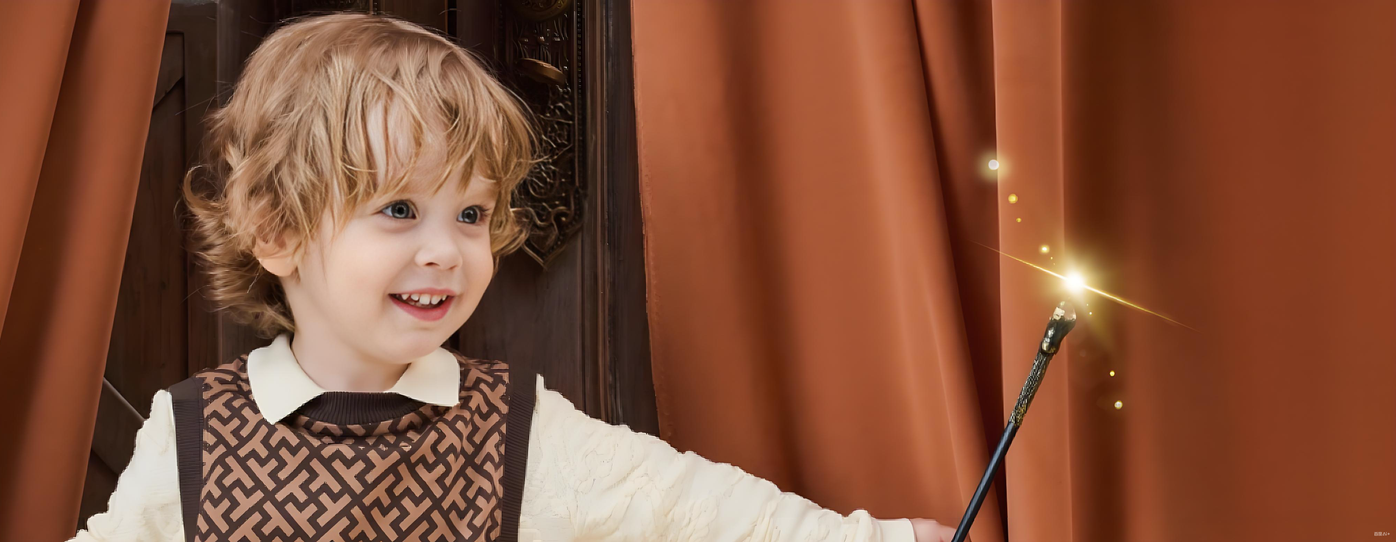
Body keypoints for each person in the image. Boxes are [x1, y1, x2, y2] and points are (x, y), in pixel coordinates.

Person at [72, 12, 956, 542]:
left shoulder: (517, 428)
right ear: (276, 232)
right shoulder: (192, 433)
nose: (445, 250)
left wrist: (885, 540)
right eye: (398, 209)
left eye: (470, 214)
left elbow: (695, 511)